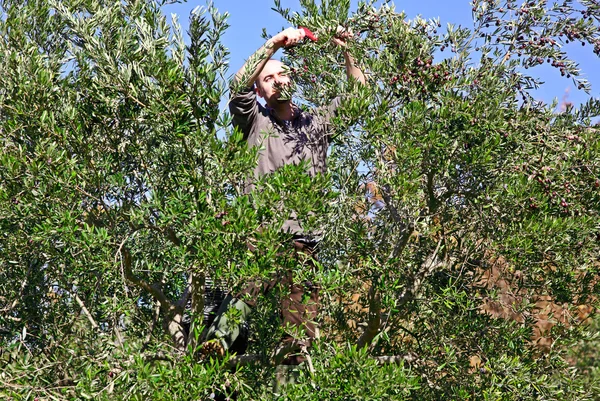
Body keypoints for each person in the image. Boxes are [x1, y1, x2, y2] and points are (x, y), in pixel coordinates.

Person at [201, 27, 365, 363]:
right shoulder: (254, 121)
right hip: (260, 233)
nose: (276, 81)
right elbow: (236, 86)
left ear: (292, 80)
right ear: (260, 91)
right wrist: (274, 44)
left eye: (281, 74)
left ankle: (293, 365)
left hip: (305, 238)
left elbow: (358, 95)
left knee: (300, 321)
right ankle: (218, 346)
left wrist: (349, 49)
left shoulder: (317, 123)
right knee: (242, 293)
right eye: (268, 78)